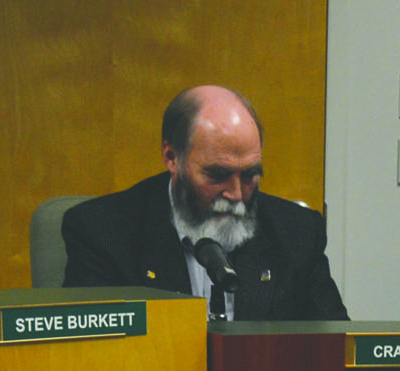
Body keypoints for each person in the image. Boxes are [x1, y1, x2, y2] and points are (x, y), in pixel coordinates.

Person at [62, 85, 348, 321]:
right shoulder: (103, 233)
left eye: (249, 175)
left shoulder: (296, 234)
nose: (236, 194)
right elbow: (90, 358)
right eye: (218, 175)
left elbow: (334, 351)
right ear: (172, 157)